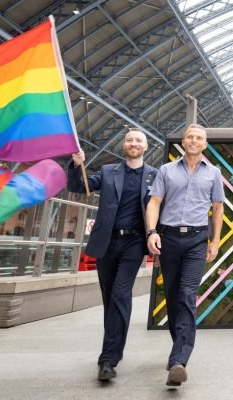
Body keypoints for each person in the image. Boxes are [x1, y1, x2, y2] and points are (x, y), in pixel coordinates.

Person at [67, 128, 158, 381]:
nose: (133, 143)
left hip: (135, 243)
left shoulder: (154, 176)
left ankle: (108, 359)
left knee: (120, 295)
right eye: (129, 140)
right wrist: (76, 164)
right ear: (124, 144)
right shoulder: (108, 172)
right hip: (106, 242)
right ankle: (112, 349)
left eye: (138, 140)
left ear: (146, 146)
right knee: (111, 300)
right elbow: (79, 187)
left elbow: (163, 205)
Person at [145, 124, 224, 387]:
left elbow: (217, 207)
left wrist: (215, 242)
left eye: (199, 138)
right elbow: (154, 202)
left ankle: (179, 360)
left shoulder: (213, 172)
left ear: (205, 144)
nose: (194, 140)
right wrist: (152, 232)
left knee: (188, 294)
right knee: (173, 295)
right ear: (183, 141)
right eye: (190, 136)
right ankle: (178, 350)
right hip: (168, 238)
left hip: (196, 240)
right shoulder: (166, 170)